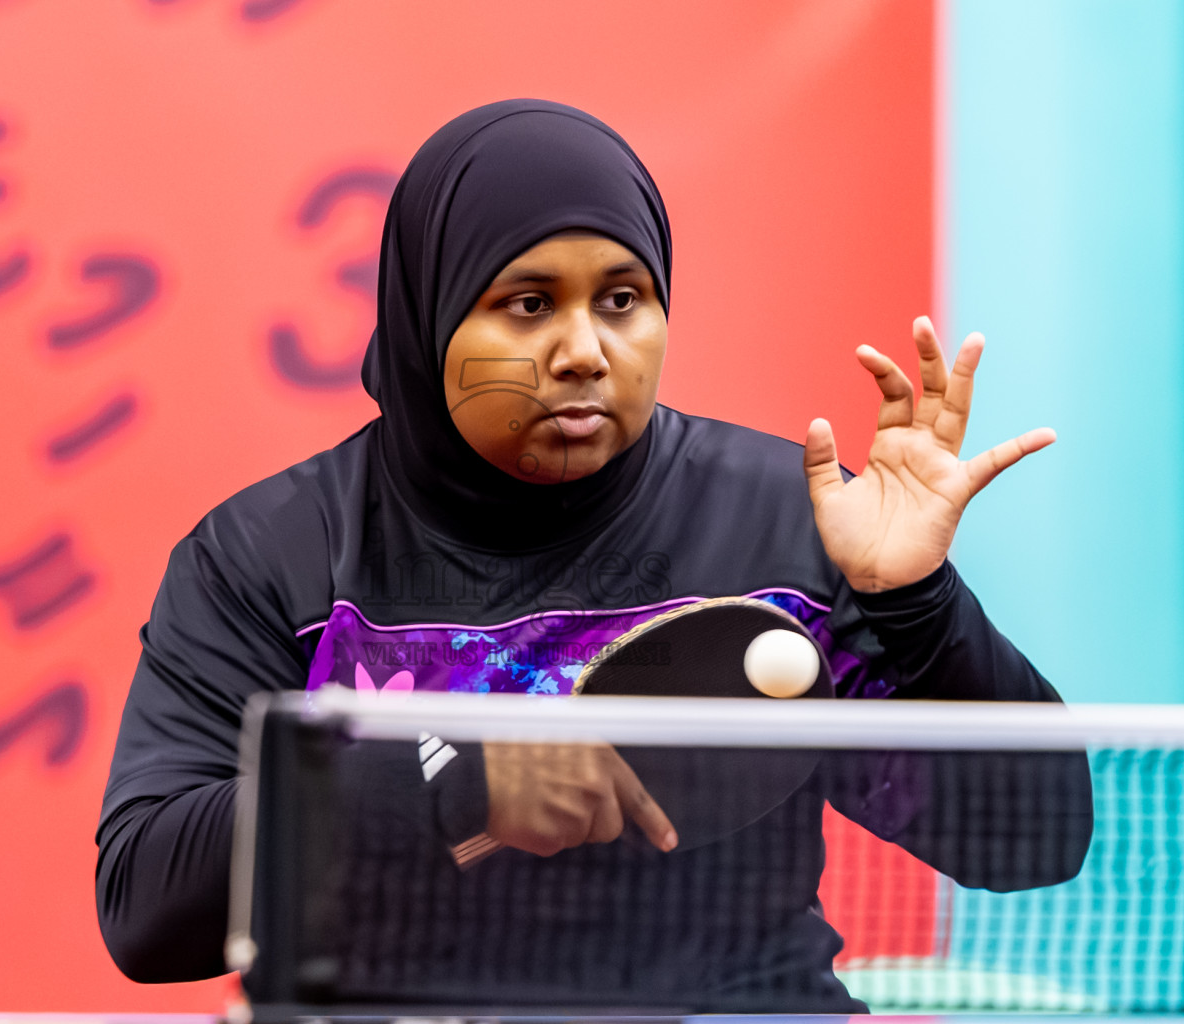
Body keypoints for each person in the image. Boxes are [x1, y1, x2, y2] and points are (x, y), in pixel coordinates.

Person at [96, 99, 1093, 1010]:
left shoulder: (789, 528)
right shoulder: (275, 555)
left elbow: (1030, 842)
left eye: (622, 300)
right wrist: (454, 781)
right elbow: (147, 906)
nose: (586, 350)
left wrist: (915, 603)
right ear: (430, 312)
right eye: (528, 304)